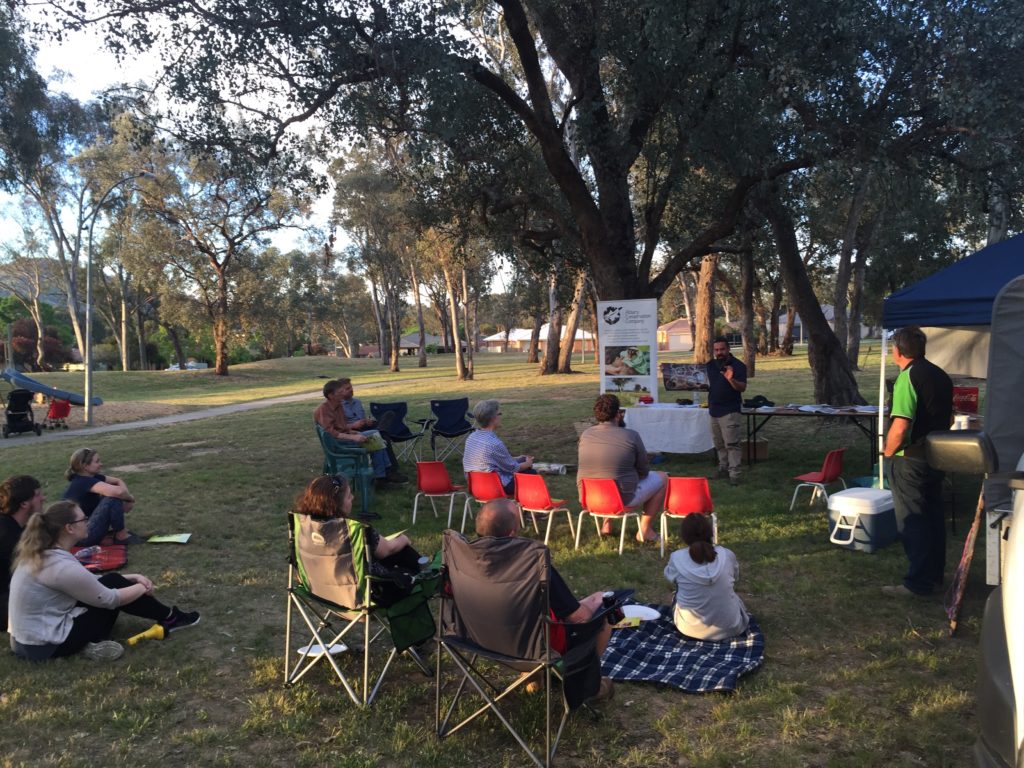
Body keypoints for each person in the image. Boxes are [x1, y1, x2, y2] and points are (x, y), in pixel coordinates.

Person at [7, 500, 200, 662]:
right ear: (70, 528)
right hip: (46, 647)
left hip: (24, 642)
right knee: (113, 593)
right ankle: (171, 618)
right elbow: (110, 599)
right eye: (84, 519)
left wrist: (132, 577)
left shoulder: (44, 553)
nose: (88, 522)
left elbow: (89, 581)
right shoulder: (60, 566)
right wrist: (141, 587)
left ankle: (167, 616)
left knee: (114, 579)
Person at [475, 498, 614, 701]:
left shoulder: (463, 559)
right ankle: (585, 684)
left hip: (483, 639)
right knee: (604, 607)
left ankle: (533, 677)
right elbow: (578, 617)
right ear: (512, 533)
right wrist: (595, 601)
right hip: (537, 646)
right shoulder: (532, 562)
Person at [882, 326, 953, 598]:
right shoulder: (940, 375)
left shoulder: (907, 377)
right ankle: (934, 576)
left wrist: (888, 453)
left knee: (913, 520)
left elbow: (900, 425)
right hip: (937, 455)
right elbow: (948, 418)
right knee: (934, 518)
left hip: (911, 460)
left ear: (898, 351)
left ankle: (917, 584)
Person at [293, 475, 424, 607]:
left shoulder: (303, 525)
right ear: (336, 504)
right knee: (403, 551)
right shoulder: (353, 530)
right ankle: (428, 577)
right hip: (364, 594)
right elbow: (387, 550)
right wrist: (404, 539)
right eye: (349, 496)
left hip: (319, 591)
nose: (353, 498)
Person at [577, 394, 666, 543]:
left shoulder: (585, 435)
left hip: (589, 499)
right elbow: (644, 471)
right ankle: (645, 530)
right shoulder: (631, 436)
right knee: (662, 477)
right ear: (618, 414)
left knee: (606, 474)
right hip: (621, 499)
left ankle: (606, 525)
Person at [664, 513, 749, 641]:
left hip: (688, 629)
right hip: (731, 627)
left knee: (678, 593)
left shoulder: (676, 558)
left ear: (684, 536)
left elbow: (669, 577)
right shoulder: (727, 554)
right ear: (711, 532)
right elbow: (735, 578)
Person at [314, 379, 404, 490]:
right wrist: (354, 437)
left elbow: (342, 427)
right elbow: (332, 434)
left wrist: (354, 432)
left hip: (346, 437)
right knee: (376, 439)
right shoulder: (324, 410)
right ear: (331, 395)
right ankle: (383, 476)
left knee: (377, 435)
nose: (343, 394)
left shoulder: (338, 406)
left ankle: (384, 475)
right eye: (340, 392)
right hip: (338, 444)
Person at [62, 448, 142, 546]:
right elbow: (118, 492)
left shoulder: (91, 477)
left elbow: (117, 481)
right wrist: (130, 499)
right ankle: (121, 536)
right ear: (85, 466)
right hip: (79, 538)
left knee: (111, 494)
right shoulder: (82, 481)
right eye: (97, 461)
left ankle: (118, 532)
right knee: (112, 498)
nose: (101, 464)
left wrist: (127, 501)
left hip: (82, 530)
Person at [337, 377, 406, 481]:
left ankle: (380, 431)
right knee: (382, 436)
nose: (351, 390)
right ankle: (390, 471)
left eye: (351, 387)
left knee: (389, 414)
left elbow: (362, 418)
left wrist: (367, 421)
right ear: (340, 392)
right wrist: (353, 425)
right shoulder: (338, 406)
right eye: (347, 389)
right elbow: (338, 427)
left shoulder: (357, 402)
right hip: (354, 433)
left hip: (366, 427)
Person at [463, 399, 535, 495]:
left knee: (522, 463)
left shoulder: (472, 437)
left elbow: (492, 460)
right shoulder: (494, 443)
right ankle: (524, 508)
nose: (501, 417)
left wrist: (518, 459)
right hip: (494, 487)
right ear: (493, 418)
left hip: (475, 485)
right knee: (530, 473)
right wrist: (528, 463)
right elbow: (513, 468)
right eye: (499, 414)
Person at [1, 475, 45, 632]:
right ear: (24, 503)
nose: (43, 498)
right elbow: (34, 577)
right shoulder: (10, 536)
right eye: (38, 494)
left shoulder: (11, 525)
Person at [706, 337, 747, 486]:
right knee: (719, 444)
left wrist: (731, 379)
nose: (719, 352)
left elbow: (742, 388)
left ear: (728, 349)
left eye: (722, 349)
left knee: (732, 444)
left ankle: (735, 475)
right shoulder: (710, 365)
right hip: (713, 410)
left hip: (729, 411)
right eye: (716, 350)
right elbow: (704, 384)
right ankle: (723, 469)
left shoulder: (738, 366)